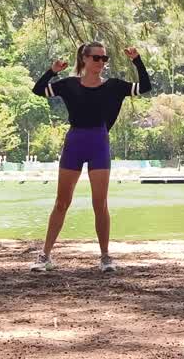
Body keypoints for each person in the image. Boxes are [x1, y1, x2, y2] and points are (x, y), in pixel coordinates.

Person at [30, 41, 151, 272]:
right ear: (84, 58)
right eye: (96, 58)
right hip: (75, 142)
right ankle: (44, 256)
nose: (101, 63)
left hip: (99, 143)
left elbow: (144, 86)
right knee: (62, 202)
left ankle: (105, 257)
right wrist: (52, 71)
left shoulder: (114, 86)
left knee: (100, 203)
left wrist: (137, 60)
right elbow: (38, 90)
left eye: (104, 59)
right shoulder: (68, 84)